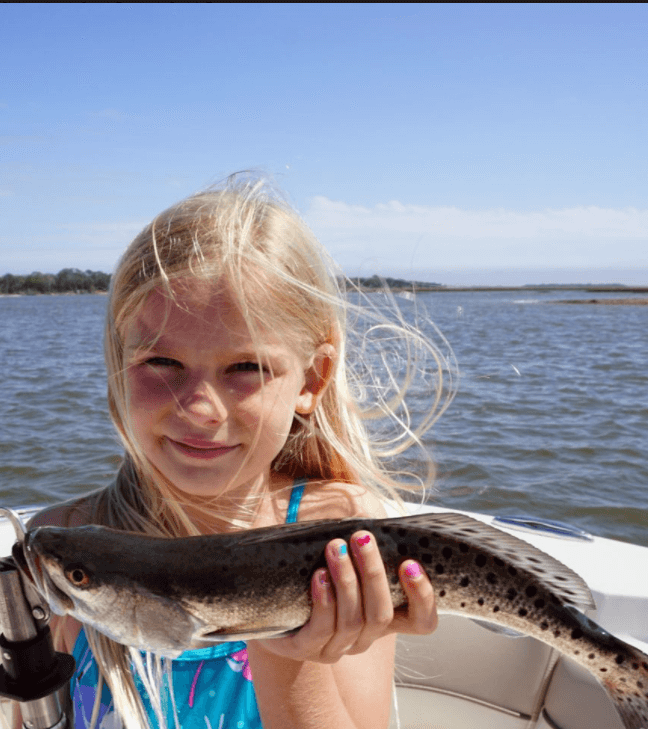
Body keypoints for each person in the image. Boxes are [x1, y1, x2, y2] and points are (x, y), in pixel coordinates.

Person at [28, 174, 450, 729]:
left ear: (312, 379)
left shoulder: (345, 538)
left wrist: (285, 645)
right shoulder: (64, 544)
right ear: (116, 363)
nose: (200, 409)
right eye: (162, 363)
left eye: (246, 368)